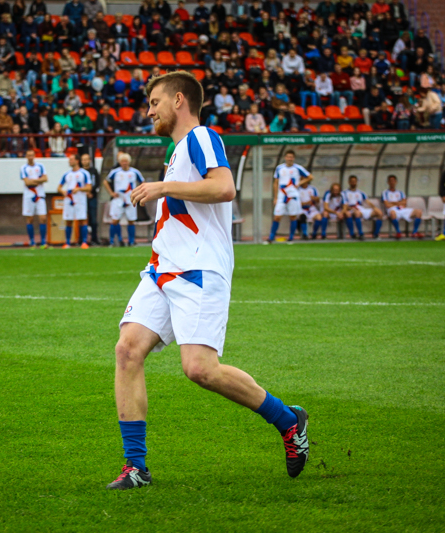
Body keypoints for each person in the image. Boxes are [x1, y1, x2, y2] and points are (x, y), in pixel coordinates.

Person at [107, 71, 309, 491]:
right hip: (161, 268)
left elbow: (224, 187)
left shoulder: (201, 137)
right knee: (127, 350)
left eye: (155, 103)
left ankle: (288, 421)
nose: (149, 112)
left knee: (200, 369)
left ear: (179, 100)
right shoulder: (178, 151)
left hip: (198, 269)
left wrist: (162, 187)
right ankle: (136, 467)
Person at [267, 150, 313, 244]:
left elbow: (310, 177)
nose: (289, 158)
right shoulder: (279, 168)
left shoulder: (298, 168)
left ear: (294, 158)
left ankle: (291, 238)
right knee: (277, 216)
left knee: (293, 216)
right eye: (288, 157)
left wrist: (299, 183)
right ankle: (271, 237)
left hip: (293, 195)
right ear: (285, 157)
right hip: (282, 195)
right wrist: (275, 197)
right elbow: (276, 183)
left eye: (291, 157)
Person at [104, 153, 144, 247]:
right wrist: (111, 193)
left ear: (129, 162)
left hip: (130, 200)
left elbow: (143, 182)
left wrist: (139, 193)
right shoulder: (115, 172)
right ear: (120, 162)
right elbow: (105, 181)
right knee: (115, 220)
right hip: (118, 200)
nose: (124, 163)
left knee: (131, 220)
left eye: (126, 161)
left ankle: (131, 241)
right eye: (122, 161)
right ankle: (114, 241)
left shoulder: (135, 172)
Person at [57, 154, 92, 248]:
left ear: (77, 161)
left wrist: (79, 189)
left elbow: (89, 187)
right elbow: (59, 187)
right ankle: (67, 242)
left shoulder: (84, 173)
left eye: (71, 159)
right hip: (69, 200)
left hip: (80, 200)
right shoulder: (66, 174)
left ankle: (84, 242)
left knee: (82, 220)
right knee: (68, 220)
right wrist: (63, 191)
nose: (69, 161)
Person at [20, 149, 49, 248]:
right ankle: (32, 241)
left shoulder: (40, 166)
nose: (30, 157)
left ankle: (43, 241)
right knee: (30, 218)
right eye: (28, 155)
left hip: (40, 195)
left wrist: (33, 180)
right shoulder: (23, 168)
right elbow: (27, 182)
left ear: (34, 156)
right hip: (29, 196)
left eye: (32, 155)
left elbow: (45, 178)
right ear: (26, 157)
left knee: (43, 218)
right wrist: (39, 180)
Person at [342, 175, 383, 240]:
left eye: (355, 181)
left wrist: (374, 207)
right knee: (357, 213)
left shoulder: (361, 192)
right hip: (351, 209)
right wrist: (351, 209)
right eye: (352, 181)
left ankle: (376, 234)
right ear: (349, 182)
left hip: (361, 209)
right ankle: (360, 234)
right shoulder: (344, 193)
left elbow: (367, 202)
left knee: (379, 213)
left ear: (356, 182)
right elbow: (344, 205)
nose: (353, 183)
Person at [382, 175, 423, 239]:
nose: (392, 182)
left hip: (402, 209)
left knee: (418, 212)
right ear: (388, 182)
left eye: (393, 181)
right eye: (390, 181)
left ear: (396, 182)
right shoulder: (385, 192)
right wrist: (398, 203)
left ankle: (415, 232)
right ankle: (398, 232)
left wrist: (392, 203)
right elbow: (387, 204)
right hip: (392, 210)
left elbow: (404, 203)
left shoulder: (401, 192)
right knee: (392, 213)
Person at [81, 152, 102, 246]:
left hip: (92, 197)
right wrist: (85, 192)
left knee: (93, 219)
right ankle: (82, 239)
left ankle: (94, 238)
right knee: (82, 219)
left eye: (86, 159)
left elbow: (97, 183)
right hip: (82, 198)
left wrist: (91, 192)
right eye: (83, 160)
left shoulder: (94, 171)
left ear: (89, 160)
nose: (85, 161)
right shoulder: (80, 171)